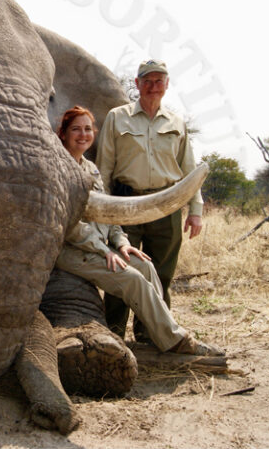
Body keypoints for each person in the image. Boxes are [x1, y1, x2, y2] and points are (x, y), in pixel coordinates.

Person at [55, 106, 223, 356]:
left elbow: (107, 213)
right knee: (132, 279)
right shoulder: (58, 168)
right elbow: (70, 226)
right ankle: (178, 343)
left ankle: (156, 336)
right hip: (73, 251)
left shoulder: (90, 168)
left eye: (88, 129)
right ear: (64, 134)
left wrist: (121, 243)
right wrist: (104, 251)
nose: (83, 135)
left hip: (100, 247)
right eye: (76, 129)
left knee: (147, 267)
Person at [96, 59, 203, 341]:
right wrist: (104, 215)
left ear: (167, 85)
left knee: (162, 274)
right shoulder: (117, 117)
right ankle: (113, 335)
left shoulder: (176, 122)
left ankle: (151, 335)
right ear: (137, 84)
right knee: (121, 270)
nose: (153, 86)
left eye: (159, 81)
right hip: (125, 205)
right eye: (147, 81)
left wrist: (196, 210)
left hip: (165, 206)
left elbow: (189, 170)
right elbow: (104, 167)